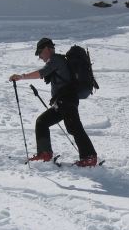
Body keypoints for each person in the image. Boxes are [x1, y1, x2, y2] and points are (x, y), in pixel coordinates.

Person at [9, 37, 98, 167]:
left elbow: (42, 73)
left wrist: (22, 77)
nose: (40, 57)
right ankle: (44, 154)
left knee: (74, 126)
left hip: (67, 99)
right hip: (61, 102)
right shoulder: (57, 61)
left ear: (46, 49)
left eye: (40, 53)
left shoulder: (56, 60)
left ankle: (89, 157)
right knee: (42, 122)